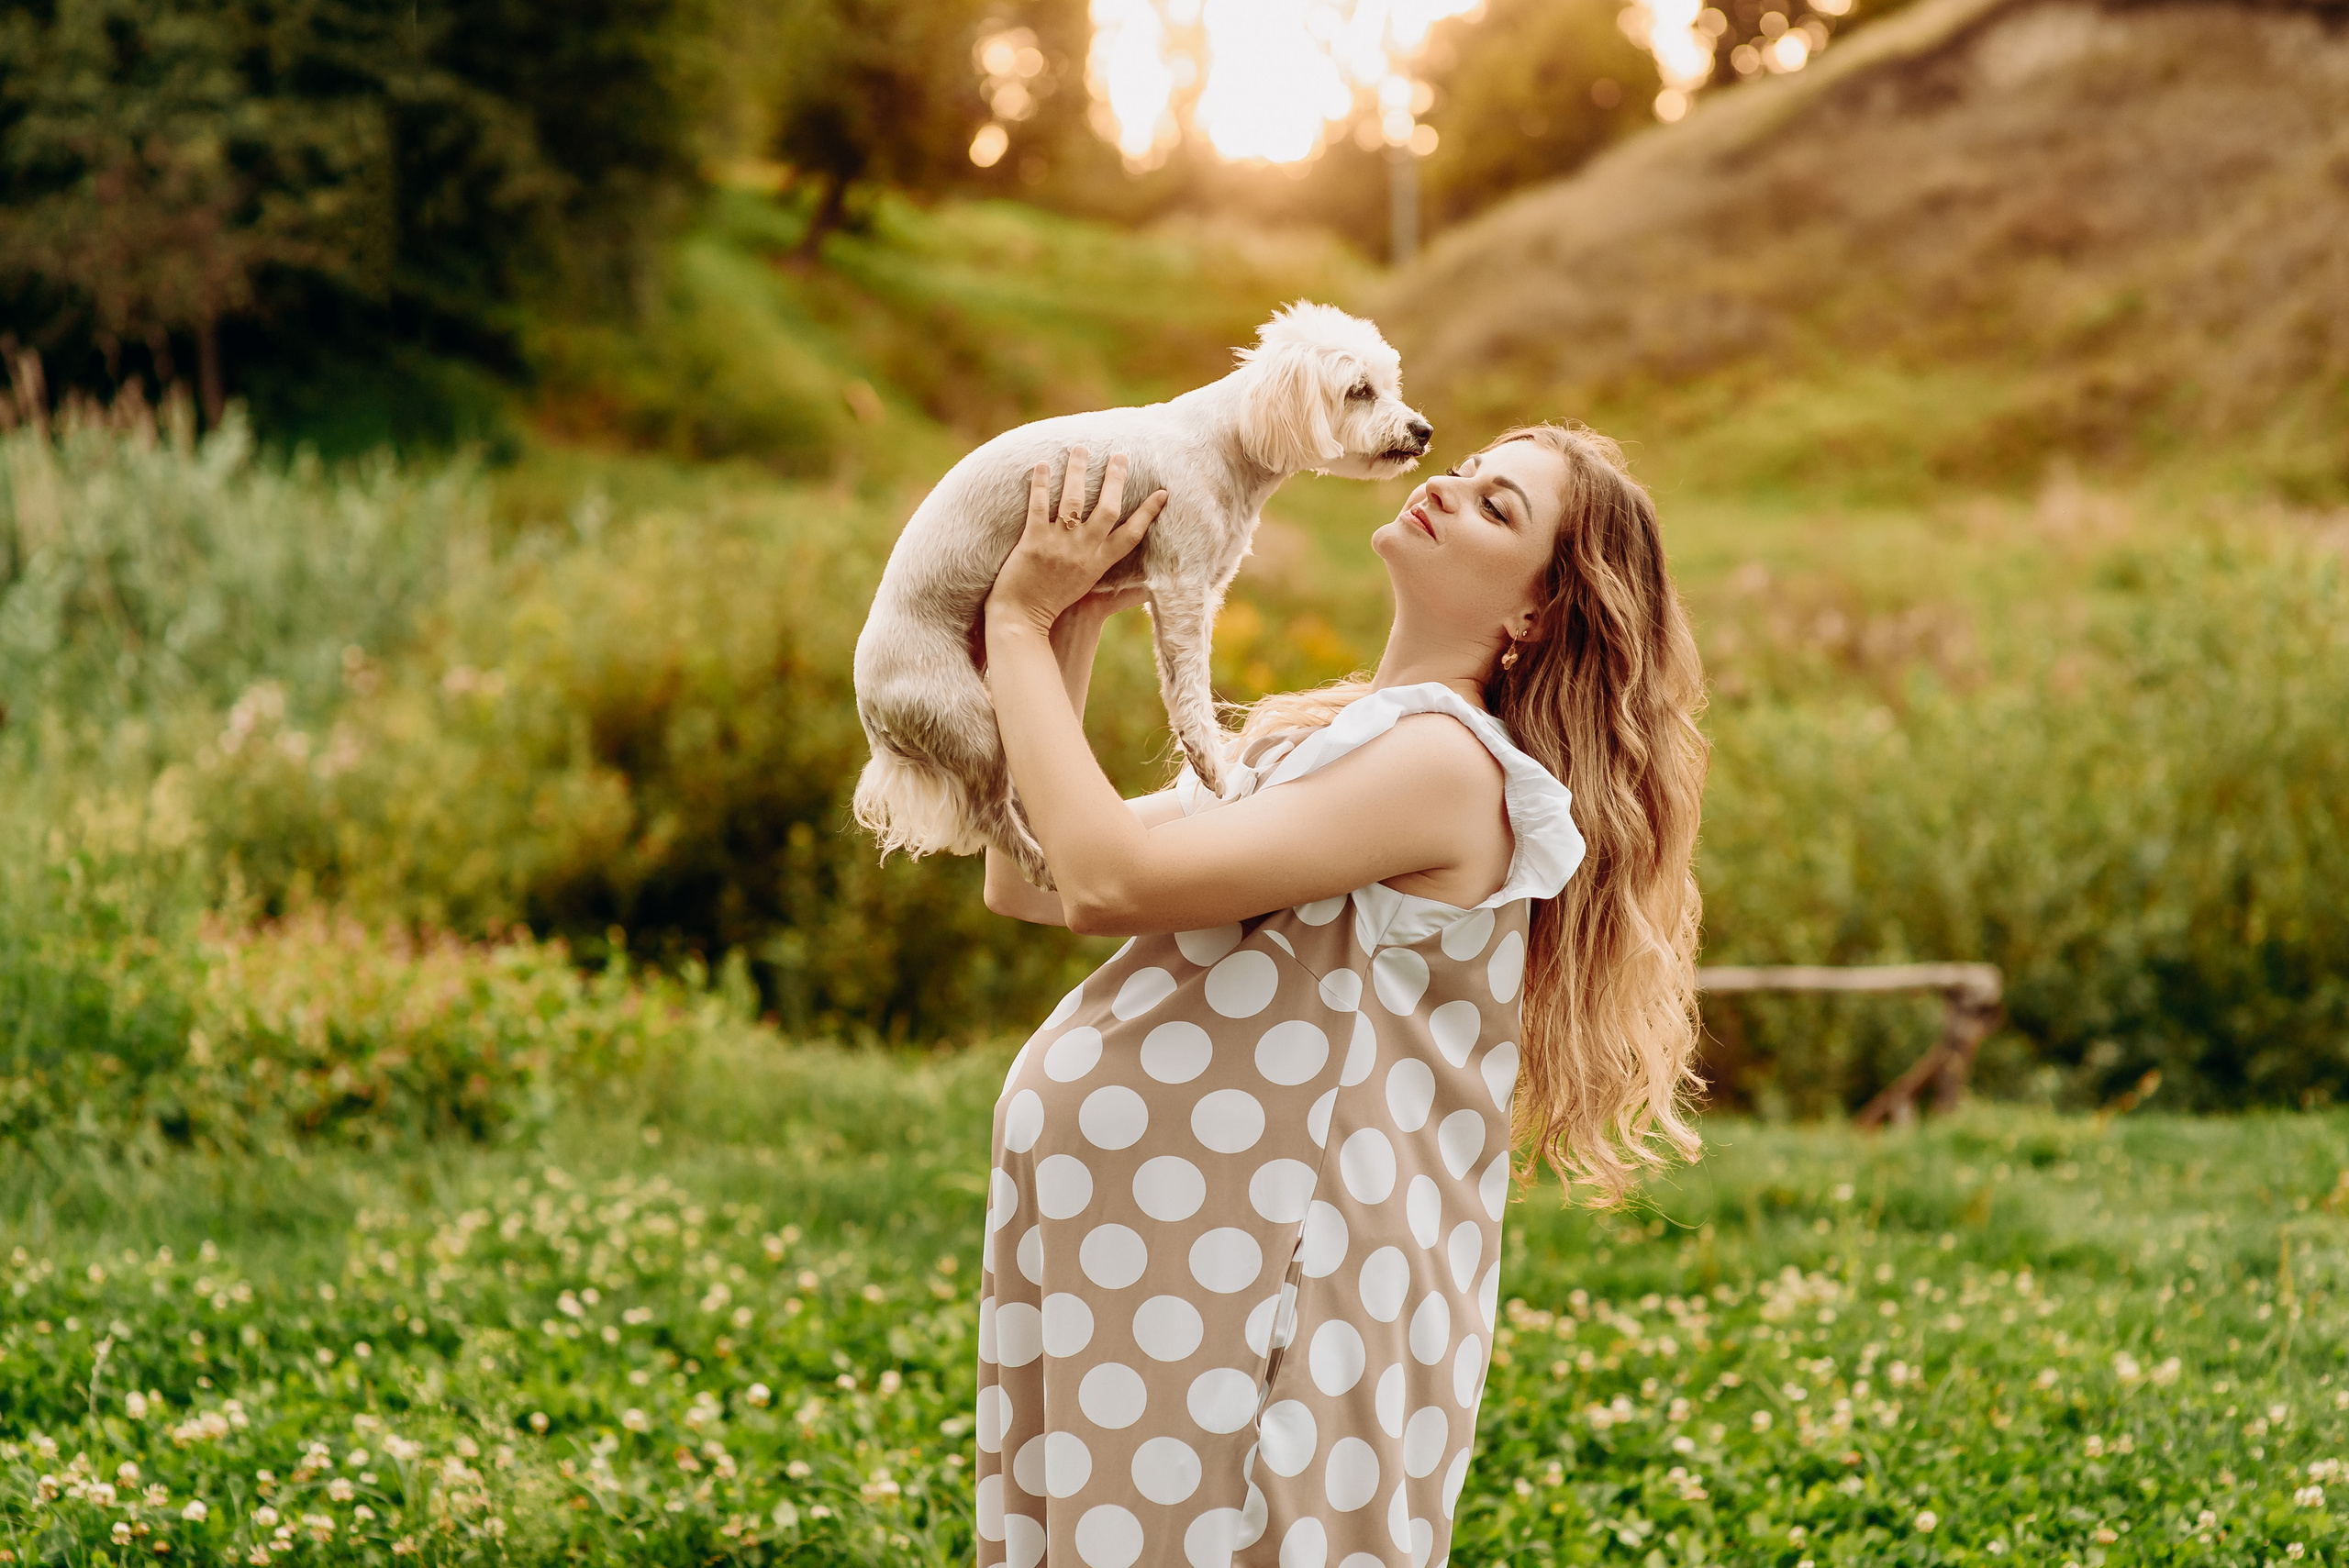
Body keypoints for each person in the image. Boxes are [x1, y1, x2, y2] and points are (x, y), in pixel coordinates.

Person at [969, 424, 1709, 1568]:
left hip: (1257, 1284)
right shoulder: (1328, 739)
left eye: (1497, 507)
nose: (1447, 488)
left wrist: (1016, 626)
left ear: (1538, 612)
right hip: (1160, 1270)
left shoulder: (1446, 767)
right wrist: (1070, 619)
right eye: (1463, 471)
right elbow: (1028, 875)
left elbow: (1112, 883)